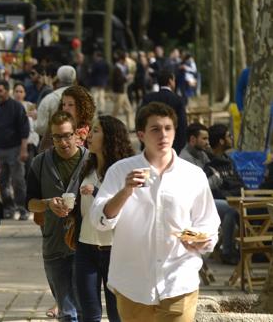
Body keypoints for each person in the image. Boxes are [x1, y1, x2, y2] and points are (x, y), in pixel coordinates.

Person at [90, 102, 220, 322]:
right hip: (133, 283)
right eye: (155, 129)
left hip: (179, 279)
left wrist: (201, 240)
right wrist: (126, 191)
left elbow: (208, 223)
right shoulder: (120, 171)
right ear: (141, 135)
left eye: (168, 128)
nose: (163, 135)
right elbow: (100, 221)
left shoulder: (193, 175)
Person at [27, 111, 90, 322]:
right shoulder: (39, 163)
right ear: (51, 138)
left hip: (85, 243)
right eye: (57, 137)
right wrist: (47, 204)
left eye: (67, 135)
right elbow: (29, 202)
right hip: (53, 242)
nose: (63, 142)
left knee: (83, 310)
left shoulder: (90, 161)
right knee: (67, 311)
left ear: (76, 135)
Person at [74, 115, 133, 322]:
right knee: (89, 315)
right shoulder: (86, 167)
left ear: (110, 137)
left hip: (115, 251)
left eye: (96, 131)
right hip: (85, 248)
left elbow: (125, 207)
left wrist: (97, 191)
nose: (89, 135)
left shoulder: (122, 172)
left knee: (117, 315)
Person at [179, 123, 240, 265]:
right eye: (204, 139)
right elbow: (197, 188)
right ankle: (226, 251)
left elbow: (214, 169)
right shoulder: (185, 159)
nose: (208, 142)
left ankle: (231, 248)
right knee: (231, 209)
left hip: (207, 199)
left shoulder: (202, 154)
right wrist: (216, 179)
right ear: (193, 140)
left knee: (234, 208)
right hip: (192, 205)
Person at [0, 79, 30, 220]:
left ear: (7, 90)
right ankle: (8, 208)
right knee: (2, 181)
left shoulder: (17, 107)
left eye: (0, 90)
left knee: (18, 181)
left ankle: (22, 208)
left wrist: (23, 150)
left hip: (15, 149)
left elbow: (24, 130)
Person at [205, 123, 245, 264]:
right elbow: (215, 192)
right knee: (232, 209)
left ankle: (251, 248)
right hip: (214, 202)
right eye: (229, 136)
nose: (231, 138)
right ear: (221, 141)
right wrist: (232, 193)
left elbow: (240, 184)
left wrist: (235, 192)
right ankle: (227, 251)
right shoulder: (210, 164)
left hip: (234, 198)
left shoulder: (229, 161)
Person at [141, 69, 188, 153]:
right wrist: (180, 145)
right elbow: (182, 125)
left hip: (150, 143)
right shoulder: (178, 100)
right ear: (170, 81)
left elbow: (140, 120)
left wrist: (143, 142)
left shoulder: (148, 98)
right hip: (173, 144)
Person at [38, 85, 95, 152]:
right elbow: (43, 152)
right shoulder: (55, 125)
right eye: (63, 104)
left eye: (70, 105)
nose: (65, 108)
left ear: (82, 106)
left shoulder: (92, 129)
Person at [35, 65, 77, 137]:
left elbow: (40, 127)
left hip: (55, 143)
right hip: (81, 143)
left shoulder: (49, 99)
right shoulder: (86, 97)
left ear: (58, 78)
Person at [111, 51, 134, 131]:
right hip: (119, 93)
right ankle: (110, 125)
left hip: (123, 92)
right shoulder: (117, 68)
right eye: (125, 60)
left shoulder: (123, 67)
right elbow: (117, 81)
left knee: (129, 110)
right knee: (116, 111)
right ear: (121, 60)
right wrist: (126, 78)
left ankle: (130, 127)